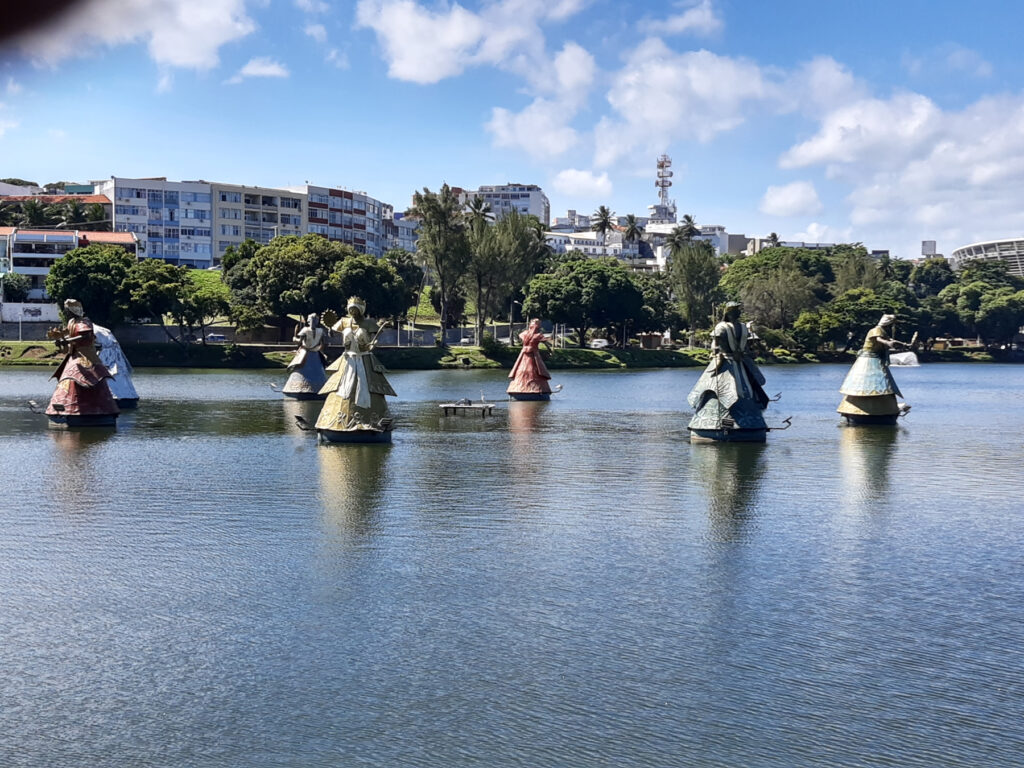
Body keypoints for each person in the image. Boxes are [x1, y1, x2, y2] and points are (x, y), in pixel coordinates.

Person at [687, 301, 769, 440]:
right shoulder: (721, 327)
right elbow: (715, 343)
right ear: (728, 313)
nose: (738, 313)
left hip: (741, 364)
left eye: (738, 310)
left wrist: (749, 353)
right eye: (735, 310)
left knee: (748, 390)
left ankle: (750, 424)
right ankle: (715, 425)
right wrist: (715, 350)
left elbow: (746, 346)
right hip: (725, 363)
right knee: (722, 391)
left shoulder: (743, 327)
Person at [315, 297, 396, 437]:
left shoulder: (369, 323)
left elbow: (374, 338)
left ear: (361, 310)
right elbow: (333, 331)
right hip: (348, 361)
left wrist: (373, 345)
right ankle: (335, 423)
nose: (353, 312)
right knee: (342, 389)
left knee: (366, 387)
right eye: (351, 309)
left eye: (355, 309)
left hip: (364, 360)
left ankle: (372, 423)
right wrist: (330, 329)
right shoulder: (344, 322)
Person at [45, 299, 119, 425]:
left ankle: (92, 411)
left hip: (86, 356)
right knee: (69, 377)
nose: (66, 313)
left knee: (88, 377)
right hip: (74, 356)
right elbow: (67, 333)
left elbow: (85, 335)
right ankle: (63, 409)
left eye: (68, 310)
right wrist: (59, 337)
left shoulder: (84, 323)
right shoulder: (71, 322)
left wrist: (68, 340)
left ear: (73, 310)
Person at [837, 313, 910, 424]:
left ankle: (885, 409)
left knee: (884, 385)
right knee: (871, 384)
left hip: (875, 359)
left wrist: (905, 344)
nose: (892, 327)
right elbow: (879, 339)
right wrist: (888, 343)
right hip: (869, 360)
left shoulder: (883, 332)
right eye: (891, 324)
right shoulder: (876, 330)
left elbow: (889, 339)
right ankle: (865, 411)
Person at [282, 313, 329, 399]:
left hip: (306, 354)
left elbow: (299, 341)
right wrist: (319, 350)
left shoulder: (305, 330)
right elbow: (323, 344)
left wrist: (294, 338)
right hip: (315, 355)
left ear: (308, 321)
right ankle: (320, 389)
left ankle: (299, 389)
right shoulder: (321, 331)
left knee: (302, 370)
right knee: (318, 373)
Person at [507, 318, 553, 400]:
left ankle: (518, 388)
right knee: (534, 370)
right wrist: (550, 351)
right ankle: (535, 389)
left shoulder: (524, 334)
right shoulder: (538, 335)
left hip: (524, 355)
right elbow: (547, 344)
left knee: (522, 370)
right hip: (533, 355)